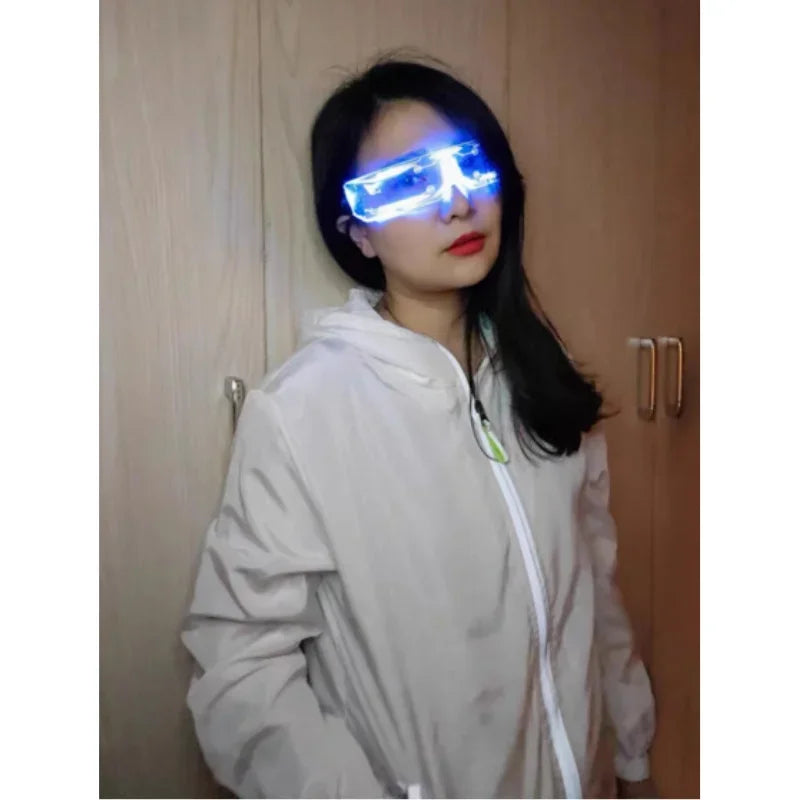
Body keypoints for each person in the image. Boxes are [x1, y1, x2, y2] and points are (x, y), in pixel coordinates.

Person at [182, 56, 656, 799]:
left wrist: (630, 756)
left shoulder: (543, 374)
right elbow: (242, 670)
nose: (458, 201)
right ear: (358, 234)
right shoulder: (305, 411)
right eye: (408, 182)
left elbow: (594, 589)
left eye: (470, 164)